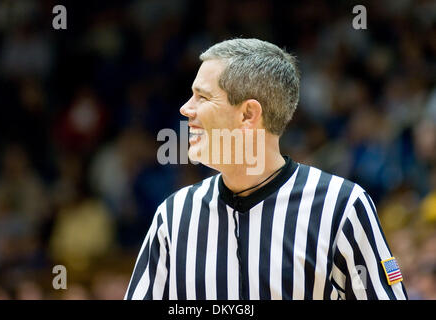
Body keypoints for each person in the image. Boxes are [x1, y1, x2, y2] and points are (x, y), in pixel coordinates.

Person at [125, 38, 407, 300]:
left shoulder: (341, 205)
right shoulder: (173, 216)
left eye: (203, 97)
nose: (186, 109)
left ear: (248, 114)